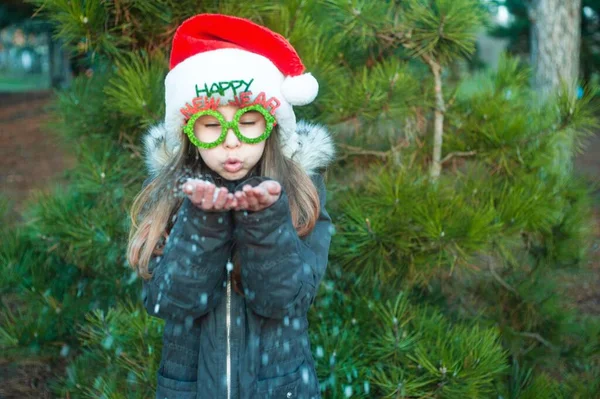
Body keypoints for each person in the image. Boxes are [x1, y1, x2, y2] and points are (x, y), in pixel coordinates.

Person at [126, 13, 335, 399]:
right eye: (210, 124)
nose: (231, 142)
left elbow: (284, 300)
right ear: (188, 132)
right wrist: (202, 220)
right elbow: (168, 301)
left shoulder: (303, 193)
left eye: (248, 121)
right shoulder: (170, 194)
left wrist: (265, 221)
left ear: (271, 125)